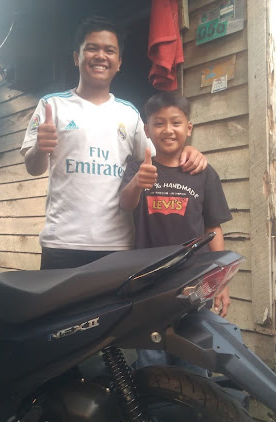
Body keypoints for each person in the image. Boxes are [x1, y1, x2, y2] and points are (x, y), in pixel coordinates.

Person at [20, 16, 207, 270]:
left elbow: (159, 157)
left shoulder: (128, 113)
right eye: (92, 48)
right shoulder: (52, 105)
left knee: (115, 300)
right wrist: (40, 149)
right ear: (76, 57)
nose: (101, 56)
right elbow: (33, 168)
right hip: (62, 242)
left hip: (117, 245)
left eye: (109, 51)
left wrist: (188, 151)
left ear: (119, 63)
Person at [120, 91, 233, 372]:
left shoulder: (204, 173)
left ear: (188, 128)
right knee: (152, 361)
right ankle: (156, 401)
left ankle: (194, 400)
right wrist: (137, 182)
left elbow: (213, 227)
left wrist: (222, 282)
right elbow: (125, 204)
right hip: (148, 284)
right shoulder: (137, 168)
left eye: (176, 122)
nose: (168, 130)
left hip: (194, 283)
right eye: (159, 123)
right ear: (147, 130)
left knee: (194, 358)